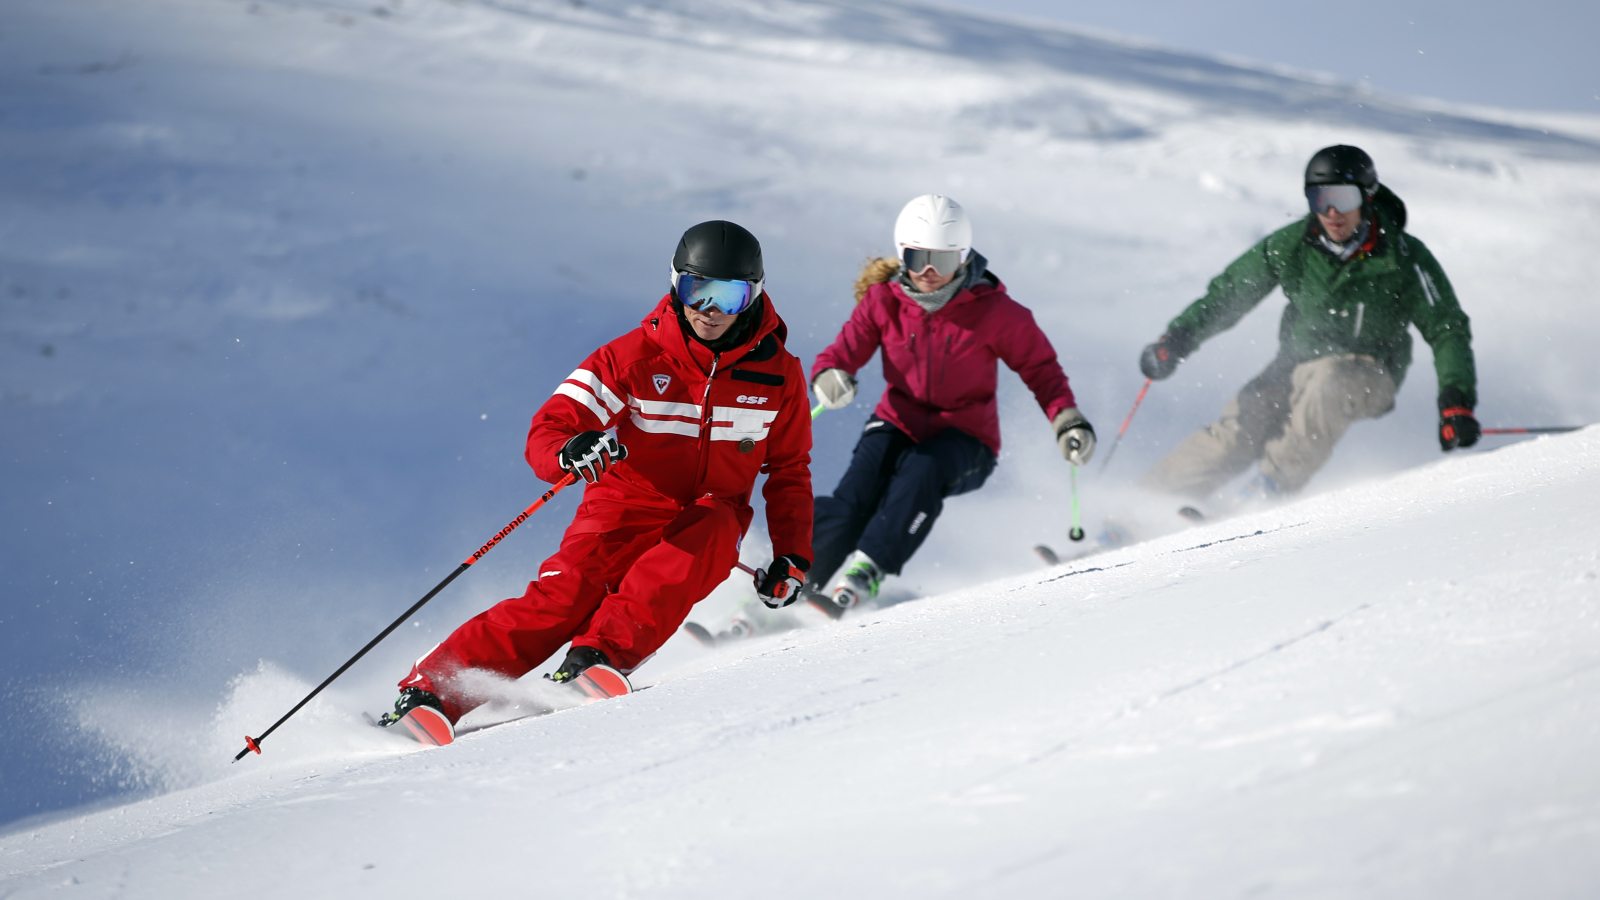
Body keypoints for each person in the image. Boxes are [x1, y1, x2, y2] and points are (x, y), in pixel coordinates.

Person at [379, 221, 814, 743]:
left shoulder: (778, 376)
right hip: (623, 503)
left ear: (754, 296)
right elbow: (553, 423)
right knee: (564, 598)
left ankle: (595, 659)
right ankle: (431, 691)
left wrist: (793, 555)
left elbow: (789, 470)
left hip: (708, 514)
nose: (710, 309)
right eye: (696, 289)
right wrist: (570, 449)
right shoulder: (632, 356)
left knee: (710, 535)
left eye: (729, 295)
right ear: (675, 285)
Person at [1136, 145, 1479, 502]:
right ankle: (1136, 512)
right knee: (1240, 428)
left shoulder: (1404, 257)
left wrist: (1456, 400)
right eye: (1319, 199)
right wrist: (1179, 338)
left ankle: (1267, 490)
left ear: (1367, 196)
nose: (1331, 212)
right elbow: (1232, 293)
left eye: (1343, 199)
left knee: (1329, 381)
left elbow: (1447, 329)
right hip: (1297, 364)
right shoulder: (1293, 245)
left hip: (1371, 372)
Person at [805, 194, 1093, 616]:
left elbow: (1041, 369)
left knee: (923, 471)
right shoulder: (883, 301)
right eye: (918, 257)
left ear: (963, 257)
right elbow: (841, 354)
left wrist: (1066, 420)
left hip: (966, 439)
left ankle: (868, 568)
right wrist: (830, 376)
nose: (928, 272)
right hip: (896, 421)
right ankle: (798, 576)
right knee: (854, 495)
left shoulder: (996, 312)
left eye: (942, 260)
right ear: (902, 254)